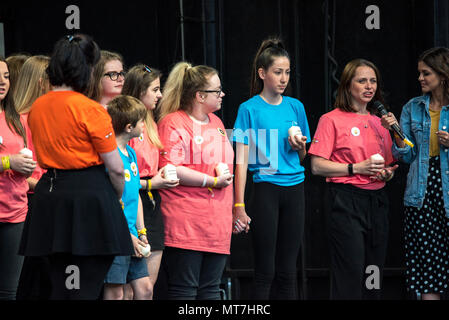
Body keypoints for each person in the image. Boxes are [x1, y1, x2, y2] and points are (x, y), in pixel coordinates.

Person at [18, 34, 134, 300]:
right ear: (88, 69)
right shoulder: (91, 110)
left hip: (49, 197)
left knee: (62, 286)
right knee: (85, 288)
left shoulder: (37, 107)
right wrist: (114, 197)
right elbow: (116, 168)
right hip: (88, 197)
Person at [308, 59, 398, 300]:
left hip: (377, 201)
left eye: (373, 81)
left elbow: (390, 164)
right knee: (350, 271)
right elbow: (316, 166)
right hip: (346, 201)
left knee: (374, 272)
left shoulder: (381, 120)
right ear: (348, 86)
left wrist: (387, 173)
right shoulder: (331, 119)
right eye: (362, 81)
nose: (369, 86)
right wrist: (356, 168)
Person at [232, 38, 310, 300]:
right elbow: (240, 160)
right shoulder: (249, 109)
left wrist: (298, 145)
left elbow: (302, 158)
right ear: (263, 73)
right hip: (265, 189)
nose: (284, 78)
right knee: (265, 270)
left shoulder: (296, 107)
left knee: (288, 271)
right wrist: (239, 205)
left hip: (295, 189)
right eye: (278, 72)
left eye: (287, 72)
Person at [157, 62, 234, 300]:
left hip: (216, 226)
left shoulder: (218, 124)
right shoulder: (173, 122)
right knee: (184, 291)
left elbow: (225, 168)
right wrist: (211, 180)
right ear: (200, 96)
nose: (223, 94)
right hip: (186, 224)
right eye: (217, 90)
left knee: (211, 290)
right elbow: (171, 168)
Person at [381, 47, 449, 300]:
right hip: (422, 195)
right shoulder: (413, 107)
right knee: (427, 269)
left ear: (442, 75)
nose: (420, 78)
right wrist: (395, 133)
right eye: (419, 73)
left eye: (426, 73)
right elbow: (407, 155)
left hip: (446, 189)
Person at [122, 64, 179, 299]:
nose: (160, 95)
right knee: (126, 287)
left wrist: (161, 178)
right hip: (133, 200)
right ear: (139, 90)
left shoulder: (151, 122)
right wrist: (150, 184)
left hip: (153, 203)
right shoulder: (127, 124)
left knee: (147, 286)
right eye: (155, 90)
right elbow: (124, 175)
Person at [103, 95, 152, 300]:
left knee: (145, 289)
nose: (145, 124)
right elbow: (109, 203)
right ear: (129, 127)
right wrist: (126, 235)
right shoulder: (108, 155)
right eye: (142, 121)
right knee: (116, 292)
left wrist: (141, 232)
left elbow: (135, 195)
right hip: (115, 234)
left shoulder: (130, 153)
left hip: (132, 235)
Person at [12, 55, 51, 300]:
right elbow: (14, 174)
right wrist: (45, 186)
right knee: (32, 278)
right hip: (30, 204)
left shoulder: (47, 118)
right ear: (40, 82)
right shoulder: (20, 121)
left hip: (48, 199)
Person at [0, 57, 37, 300]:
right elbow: (8, 160)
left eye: (5, 76)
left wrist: (25, 168)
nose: (2, 82)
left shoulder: (15, 119)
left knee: (8, 293)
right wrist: (7, 162)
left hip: (15, 213)